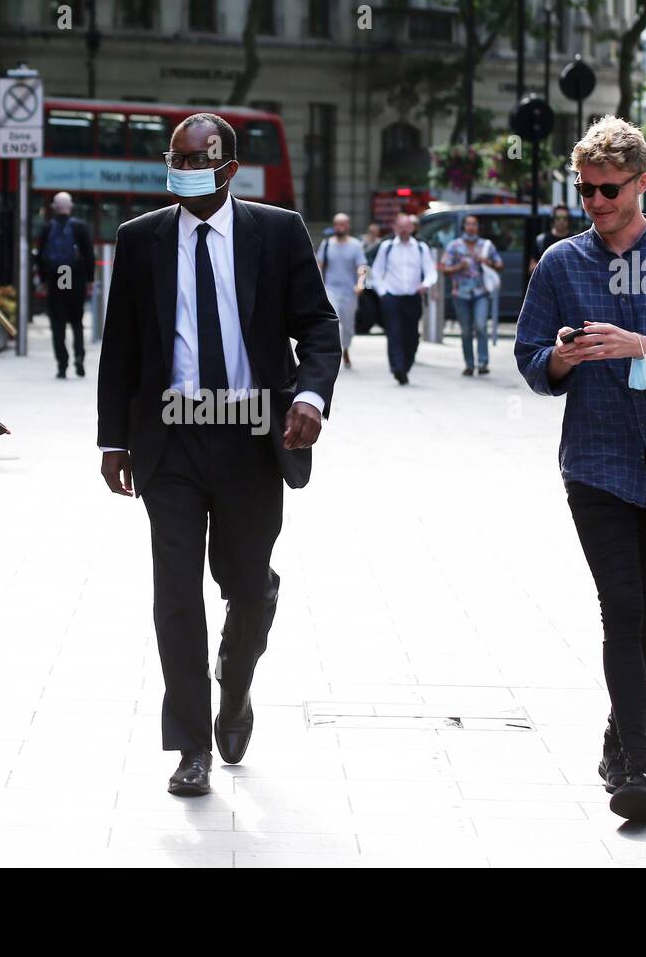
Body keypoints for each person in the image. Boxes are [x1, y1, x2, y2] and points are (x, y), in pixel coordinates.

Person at [97, 113, 340, 796]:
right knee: (175, 593)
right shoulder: (141, 240)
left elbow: (319, 326)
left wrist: (311, 399)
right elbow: (121, 348)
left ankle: (234, 689)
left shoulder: (277, 231)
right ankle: (191, 747)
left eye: (196, 165)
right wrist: (113, 439)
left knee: (246, 587)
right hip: (169, 438)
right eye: (173, 162)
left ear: (229, 171)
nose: (181, 176)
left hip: (251, 437)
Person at [514, 116, 646, 822]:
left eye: (609, 190)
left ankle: (614, 732)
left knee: (644, 610)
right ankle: (638, 764)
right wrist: (562, 358)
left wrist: (645, 346)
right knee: (624, 605)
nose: (596, 203)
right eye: (586, 192)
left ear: (642, 185)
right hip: (598, 464)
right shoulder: (561, 263)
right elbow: (530, 357)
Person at [35, 191, 95, 378]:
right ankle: (79, 356)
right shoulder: (80, 228)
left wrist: (44, 280)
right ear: (70, 207)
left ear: (54, 207)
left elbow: (39, 257)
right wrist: (90, 280)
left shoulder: (47, 228)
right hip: (74, 280)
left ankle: (62, 364)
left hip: (56, 280)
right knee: (77, 322)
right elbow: (89, 255)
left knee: (58, 324)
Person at [370, 213, 435, 385]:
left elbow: (431, 272)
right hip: (392, 296)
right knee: (394, 333)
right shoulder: (387, 247)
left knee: (411, 335)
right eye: (401, 226)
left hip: (413, 298)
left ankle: (405, 366)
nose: (404, 229)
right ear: (395, 228)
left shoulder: (421, 248)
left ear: (412, 228)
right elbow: (376, 272)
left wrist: (425, 284)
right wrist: (382, 292)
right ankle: (397, 368)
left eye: (407, 226)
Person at [439, 214, 501, 376]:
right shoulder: (454, 246)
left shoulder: (486, 245)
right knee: (466, 330)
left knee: (481, 326)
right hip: (460, 293)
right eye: (468, 224)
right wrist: (459, 266)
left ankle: (482, 362)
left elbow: (500, 265)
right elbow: (444, 268)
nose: (471, 227)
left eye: (474, 224)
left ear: (478, 227)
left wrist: (487, 262)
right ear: (463, 227)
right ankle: (469, 364)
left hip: (481, 292)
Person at [316, 212, 367, 369]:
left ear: (348, 226)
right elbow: (319, 265)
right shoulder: (326, 244)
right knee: (334, 322)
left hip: (350, 292)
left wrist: (361, 284)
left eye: (343, 224)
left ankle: (345, 348)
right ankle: (335, 353)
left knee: (348, 326)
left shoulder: (356, 245)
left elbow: (363, 267)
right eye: (337, 224)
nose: (340, 227)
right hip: (330, 289)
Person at [530, 203, 573, 273]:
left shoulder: (575, 240)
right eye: (558, 218)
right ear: (553, 219)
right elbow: (532, 267)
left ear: (569, 220)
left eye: (565, 218)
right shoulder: (542, 240)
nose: (561, 221)